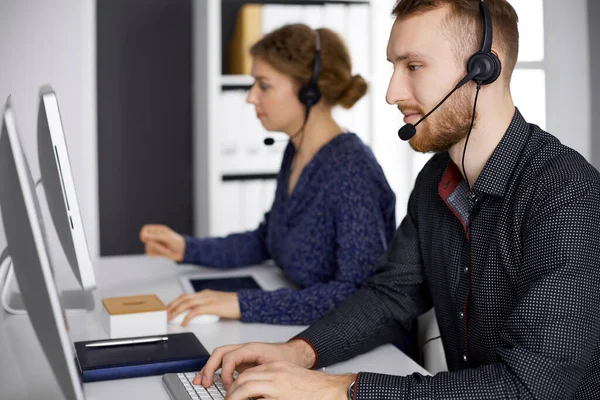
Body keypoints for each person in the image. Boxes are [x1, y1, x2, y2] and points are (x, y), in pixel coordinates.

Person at [194, 1, 600, 399]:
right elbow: (391, 296)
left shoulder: (567, 196)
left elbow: (532, 386)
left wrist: (341, 389)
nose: (391, 93)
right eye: (393, 67)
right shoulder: (435, 181)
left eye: (413, 67)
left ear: (483, 69)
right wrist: (299, 352)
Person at [140, 24, 396, 327]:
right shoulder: (297, 151)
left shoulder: (352, 171)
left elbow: (358, 296)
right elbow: (269, 240)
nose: (250, 98)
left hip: (366, 351)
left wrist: (241, 303)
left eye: (264, 85)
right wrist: (188, 248)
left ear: (309, 91)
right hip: (309, 327)